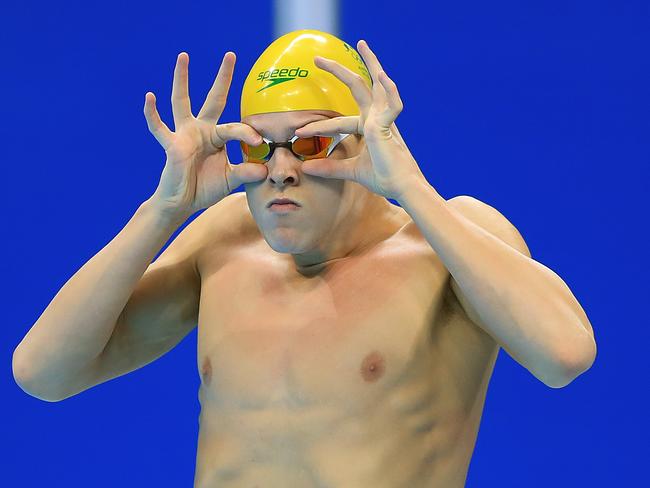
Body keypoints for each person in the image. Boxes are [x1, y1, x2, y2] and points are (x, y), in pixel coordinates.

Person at [12, 29, 597, 487]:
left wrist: (414, 191)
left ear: (363, 140)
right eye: (260, 145)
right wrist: (163, 210)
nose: (282, 168)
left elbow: (564, 355)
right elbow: (42, 374)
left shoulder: (441, 240)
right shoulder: (223, 241)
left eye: (311, 142)